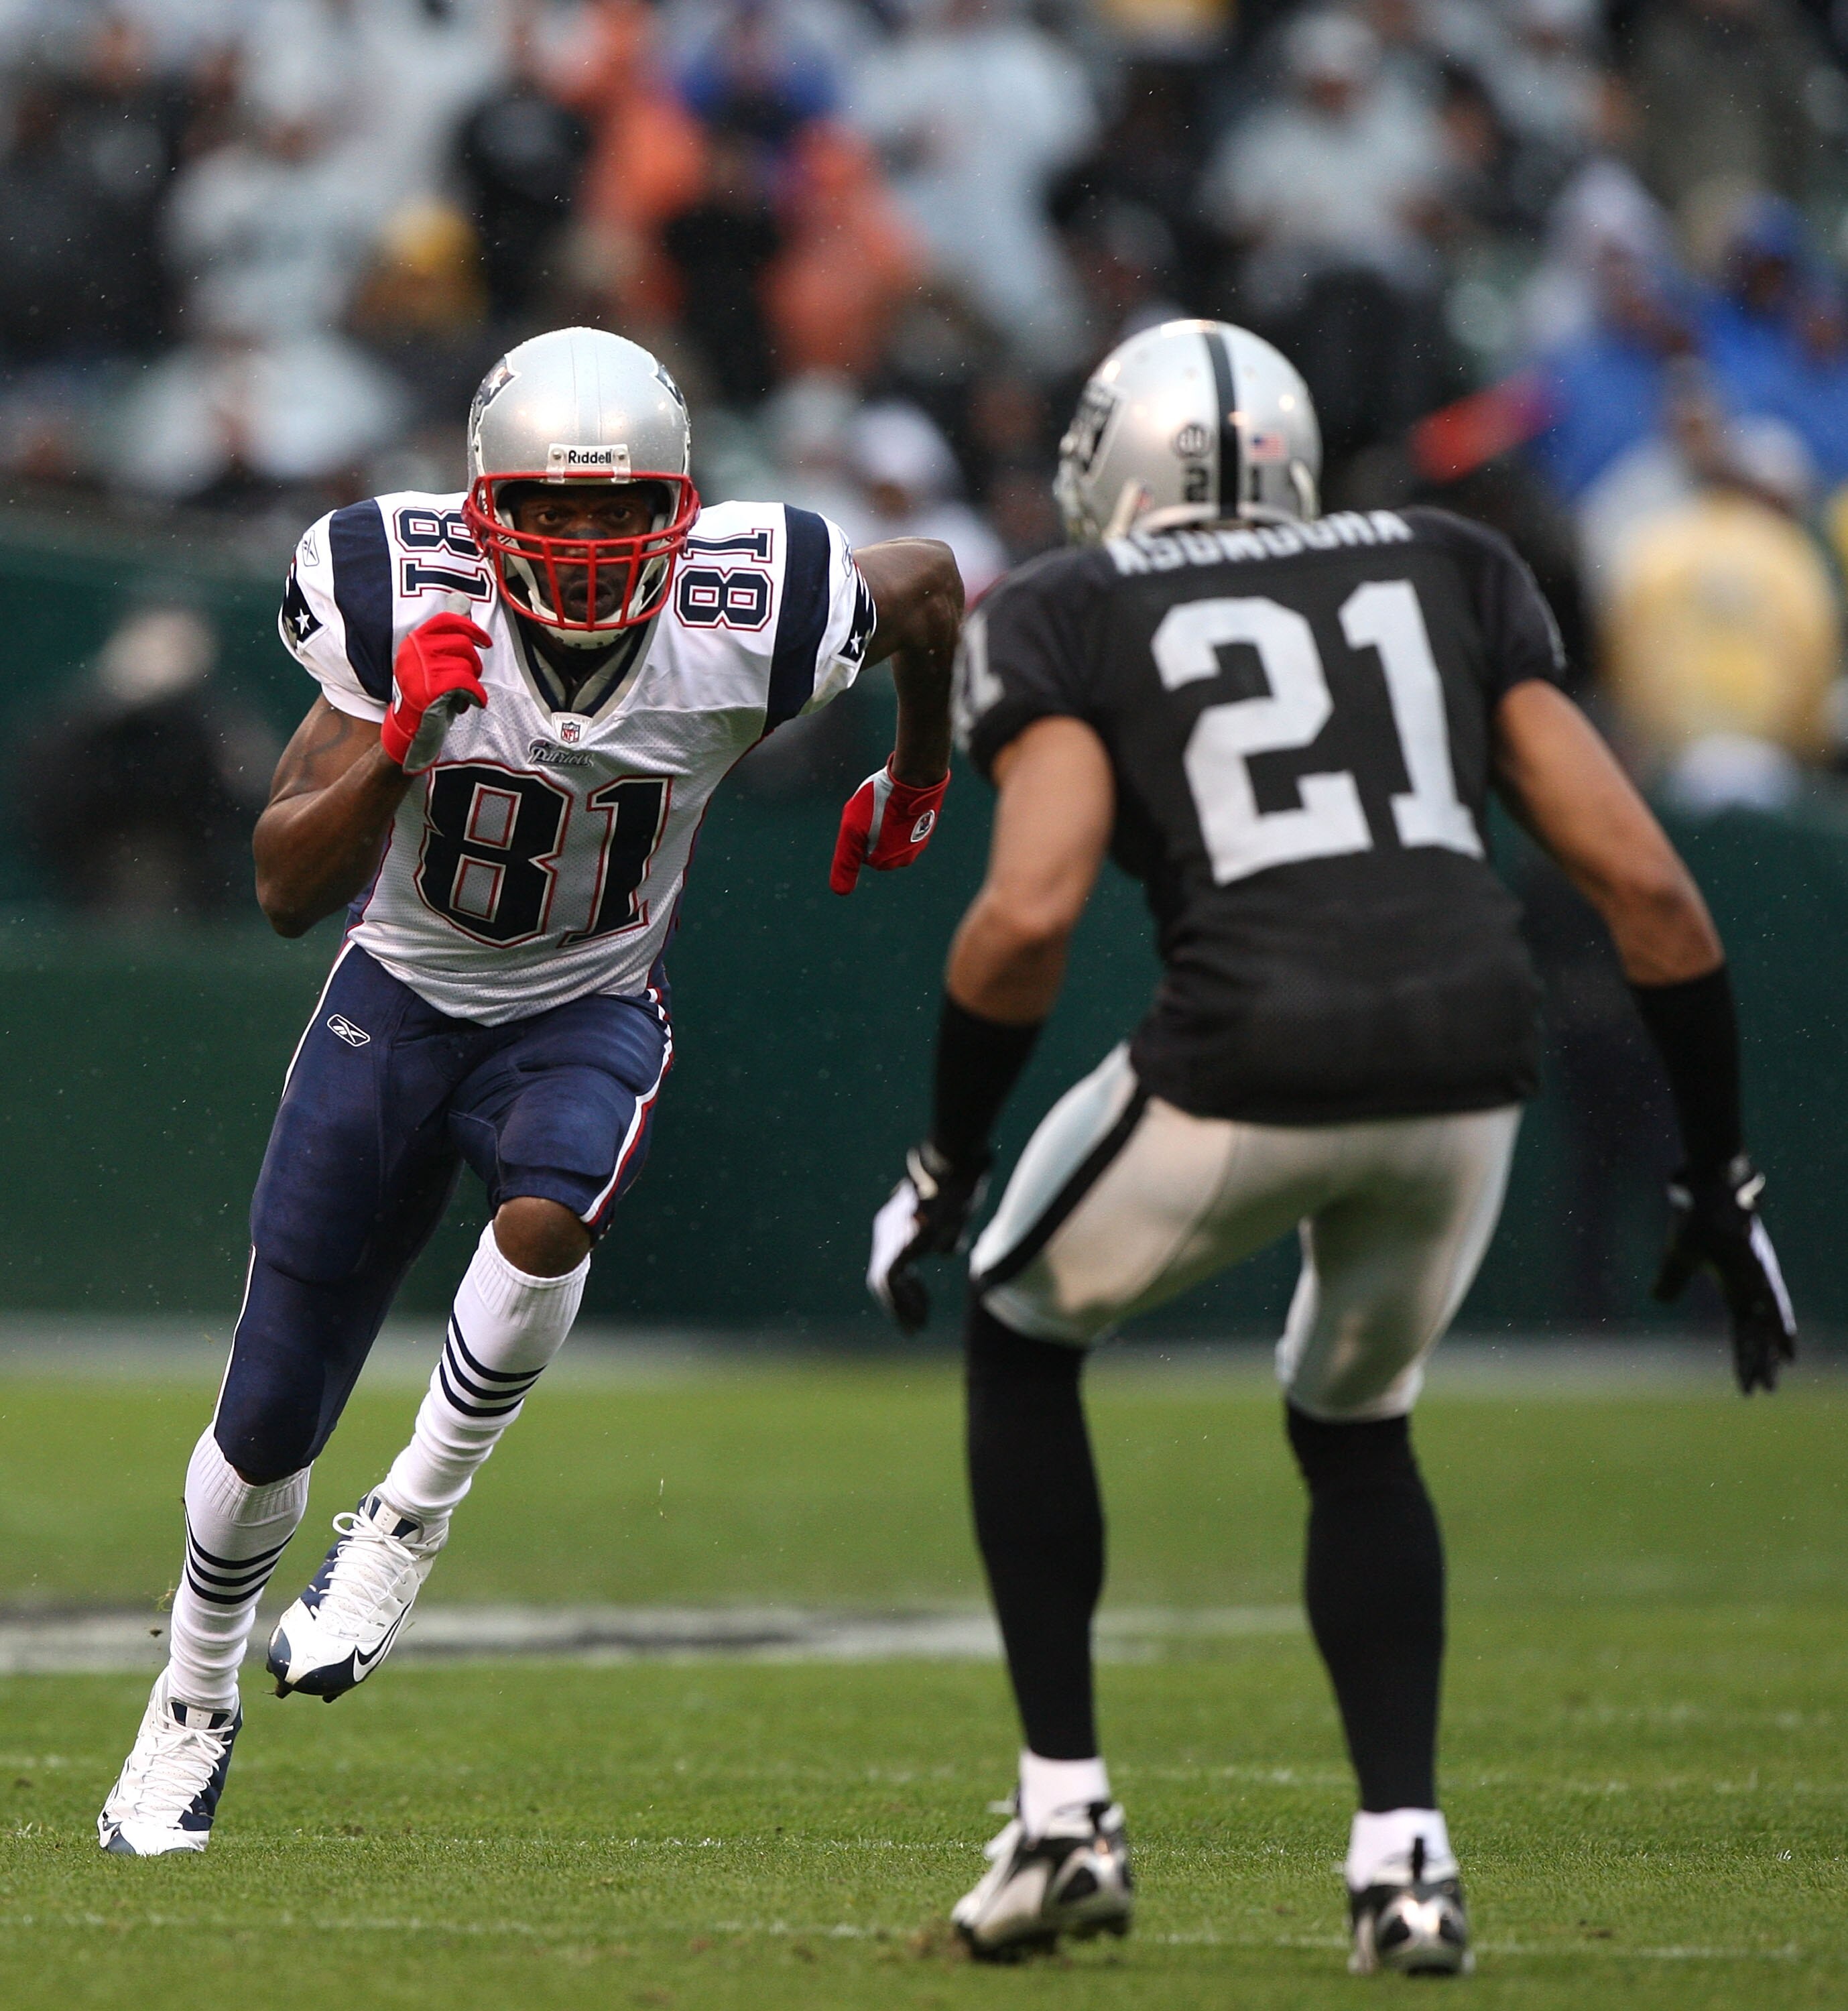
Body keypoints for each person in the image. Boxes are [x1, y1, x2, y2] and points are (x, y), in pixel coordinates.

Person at [865, 318, 1795, 1969]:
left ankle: (1063, 1815)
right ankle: (1404, 1864)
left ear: (1115, 469)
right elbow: (1648, 891)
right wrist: (1715, 1166)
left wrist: (944, 1156)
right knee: (1356, 1420)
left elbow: (1023, 916)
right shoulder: (1448, 563)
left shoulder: (1075, 602)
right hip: (1469, 1062)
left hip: (1247, 1051)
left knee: (1018, 1317)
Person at [97, 324, 963, 1857]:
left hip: (585, 998)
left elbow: (932, 590)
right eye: (549, 516)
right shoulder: (393, 598)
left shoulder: (753, 609)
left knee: (553, 1208)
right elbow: (287, 888)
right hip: (397, 999)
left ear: (680, 512)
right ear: (483, 509)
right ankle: (190, 1698)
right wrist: (392, 744)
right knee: (261, 1433)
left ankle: (409, 1520)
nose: (581, 548)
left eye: (616, 511)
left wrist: (919, 767)